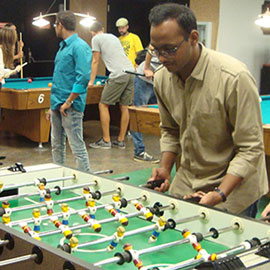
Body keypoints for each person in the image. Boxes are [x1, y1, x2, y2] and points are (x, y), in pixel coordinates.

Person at [146, 3, 268, 217]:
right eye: (156, 50)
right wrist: (165, 168)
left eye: (170, 49)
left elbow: (250, 148)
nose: (162, 58)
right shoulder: (162, 78)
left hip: (233, 190)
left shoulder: (234, 78)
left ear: (193, 38)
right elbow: (170, 130)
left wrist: (220, 193)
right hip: (187, 182)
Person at [46, 11, 91, 172]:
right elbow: (59, 77)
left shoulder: (80, 47)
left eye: (55, 25)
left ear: (61, 25)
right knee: (56, 145)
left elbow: (83, 78)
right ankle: (60, 178)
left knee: (76, 147)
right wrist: (51, 106)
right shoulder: (63, 47)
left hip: (70, 106)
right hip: (57, 104)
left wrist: (69, 101)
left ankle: (86, 184)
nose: (54, 28)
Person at [88, 21, 134, 150]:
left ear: (92, 32)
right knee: (125, 107)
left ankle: (106, 140)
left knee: (103, 104)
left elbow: (95, 60)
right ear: (102, 28)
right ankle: (120, 140)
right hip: (131, 72)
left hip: (118, 74)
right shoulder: (113, 37)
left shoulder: (95, 38)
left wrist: (91, 81)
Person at [131, 47, 161, 163]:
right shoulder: (164, 39)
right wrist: (147, 68)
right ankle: (139, 151)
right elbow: (151, 49)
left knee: (161, 115)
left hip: (157, 81)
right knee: (138, 115)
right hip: (144, 79)